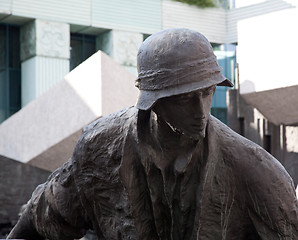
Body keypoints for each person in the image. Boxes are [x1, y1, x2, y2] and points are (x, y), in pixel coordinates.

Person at [8, 28, 298, 240]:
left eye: (207, 93)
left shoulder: (257, 172)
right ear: (154, 101)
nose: (201, 111)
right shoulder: (98, 147)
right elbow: (47, 213)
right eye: (185, 99)